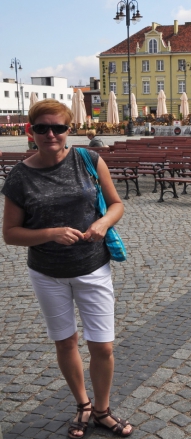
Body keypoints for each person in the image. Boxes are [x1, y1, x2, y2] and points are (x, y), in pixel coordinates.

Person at [1, 99, 131, 438]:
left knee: (102, 346)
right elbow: (10, 234)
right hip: (47, 273)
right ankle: (83, 404)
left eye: (58, 128)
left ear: (69, 130)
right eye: (41, 127)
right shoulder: (20, 176)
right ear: (30, 130)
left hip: (93, 267)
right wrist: (50, 234)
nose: (50, 134)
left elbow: (116, 204)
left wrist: (102, 223)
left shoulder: (89, 160)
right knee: (65, 342)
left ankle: (102, 409)